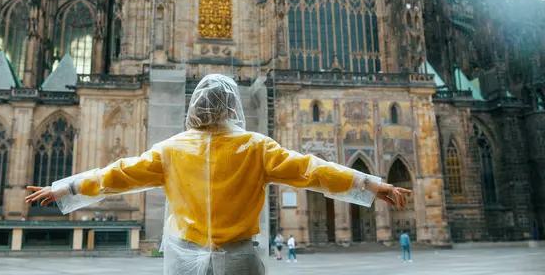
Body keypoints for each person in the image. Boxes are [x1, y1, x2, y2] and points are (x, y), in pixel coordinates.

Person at [26, 74, 410, 275]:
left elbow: (114, 175)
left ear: (196, 106)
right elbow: (315, 171)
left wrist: (63, 190)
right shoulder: (257, 147)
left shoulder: (172, 150)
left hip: (185, 264)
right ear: (232, 106)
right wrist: (372, 184)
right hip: (240, 264)